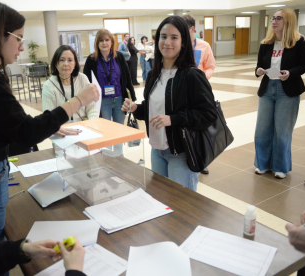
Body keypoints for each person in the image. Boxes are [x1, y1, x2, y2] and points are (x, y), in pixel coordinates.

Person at [0, 2, 99, 244]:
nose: (22, 46)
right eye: (19, 38)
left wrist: (50, 126)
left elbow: (8, 123)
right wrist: (78, 100)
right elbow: (26, 132)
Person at [121, 16, 217, 191]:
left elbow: (208, 114)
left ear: (183, 43)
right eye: (163, 37)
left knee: (181, 207)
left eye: (174, 37)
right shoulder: (154, 75)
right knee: (160, 200)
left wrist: (173, 119)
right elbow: (154, 109)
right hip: (157, 149)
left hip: (180, 153)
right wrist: (136, 108)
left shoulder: (192, 75)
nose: (167, 42)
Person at [254, 8, 305, 179]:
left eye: (279, 18)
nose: (274, 21)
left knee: (282, 131)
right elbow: (257, 66)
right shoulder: (266, 43)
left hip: (288, 90)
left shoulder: (298, 42)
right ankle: (262, 164)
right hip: (268, 89)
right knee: (262, 130)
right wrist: (259, 71)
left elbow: (304, 66)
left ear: (288, 22)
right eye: (273, 18)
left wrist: (290, 73)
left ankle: (280, 166)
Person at [83, 28, 136, 155]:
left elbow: (127, 78)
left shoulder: (119, 57)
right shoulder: (91, 60)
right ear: (97, 43)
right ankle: (106, 158)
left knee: (118, 132)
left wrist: (132, 97)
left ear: (111, 42)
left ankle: (118, 157)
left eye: (107, 40)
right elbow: (85, 81)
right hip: (102, 102)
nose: (104, 43)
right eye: (101, 40)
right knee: (104, 133)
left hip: (119, 100)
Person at [183, 14, 216, 175]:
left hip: (200, 92)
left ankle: (202, 160)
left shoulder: (204, 46)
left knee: (200, 129)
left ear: (192, 29)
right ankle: (187, 156)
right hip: (182, 93)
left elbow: (211, 66)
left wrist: (203, 76)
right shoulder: (178, 45)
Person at [43, 45, 99, 123]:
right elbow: (49, 119)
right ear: (56, 64)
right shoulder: (49, 85)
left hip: (84, 127)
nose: (66, 64)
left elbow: (92, 109)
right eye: (62, 60)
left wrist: (92, 125)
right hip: (62, 129)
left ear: (75, 63)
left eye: (70, 60)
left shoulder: (83, 78)